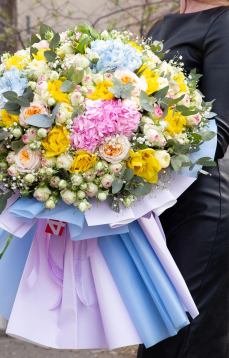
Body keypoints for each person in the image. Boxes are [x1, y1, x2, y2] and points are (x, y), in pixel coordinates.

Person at [137, 1, 229, 357]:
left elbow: (220, 130)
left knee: (186, 344)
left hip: (202, 214)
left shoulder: (223, 22)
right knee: (159, 342)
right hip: (158, 208)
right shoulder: (162, 24)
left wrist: (138, 145)